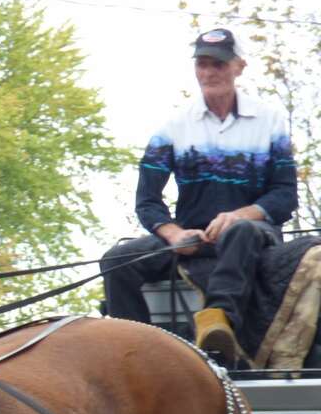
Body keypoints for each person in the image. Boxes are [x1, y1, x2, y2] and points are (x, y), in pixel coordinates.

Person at [102, 28, 298, 366]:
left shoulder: (270, 121)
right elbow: (147, 200)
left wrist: (239, 216)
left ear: (239, 66)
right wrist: (175, 234)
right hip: (193, 240)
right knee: (117, 260)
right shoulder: (174, 125)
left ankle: (217, 325)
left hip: (253, 236)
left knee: (240, 231)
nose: (209, 73)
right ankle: (137, 355)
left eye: (218, 64)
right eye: (202, 64)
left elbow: (285, 195)